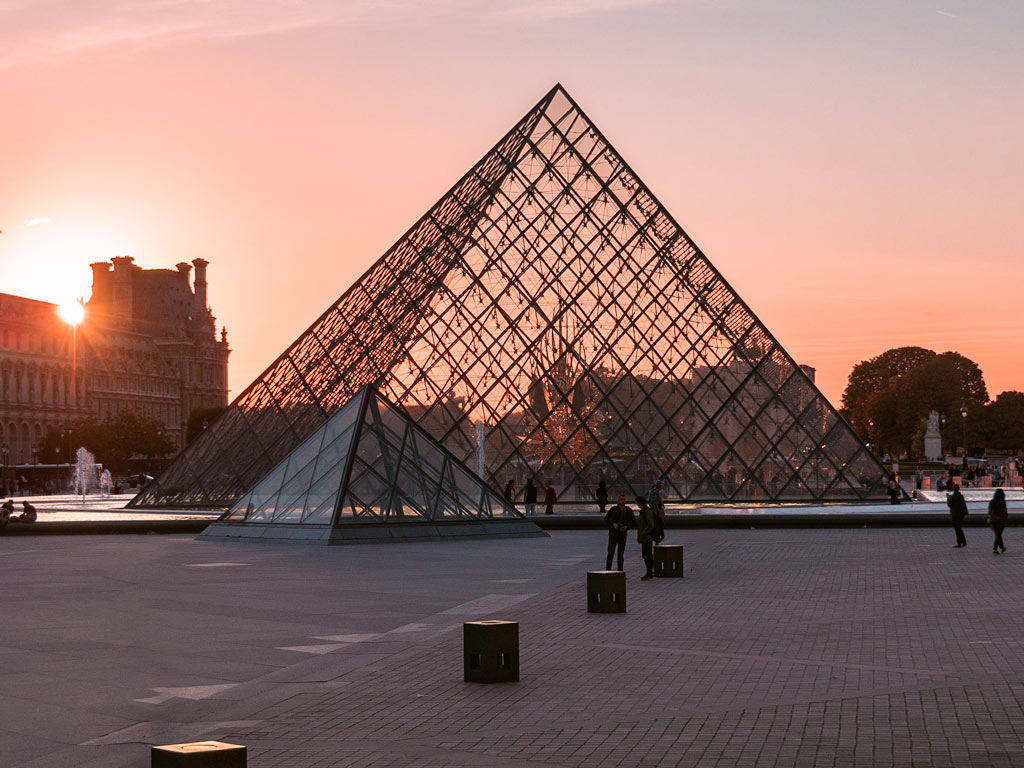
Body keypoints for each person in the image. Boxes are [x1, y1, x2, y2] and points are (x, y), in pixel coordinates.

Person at [604, 494, 636, 571]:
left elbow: (633, 522)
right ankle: (608, 570)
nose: (622, 501)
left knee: (620, 554)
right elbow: (606, 519)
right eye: (621, 499)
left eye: (624, 499)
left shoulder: (628, 511)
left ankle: (620, 571)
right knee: (610, 553)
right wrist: (613, 525)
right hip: (613, 534)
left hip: (622, 534)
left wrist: (626, 527)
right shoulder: (613, 509)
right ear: (618, 501)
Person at [635, 495, 656, 580]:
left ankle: (650, 572)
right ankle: (650, 571)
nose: (637, 504)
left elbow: (650, 524)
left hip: (647, 537)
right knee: (646, 555)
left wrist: (644, 532)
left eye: (637, 503)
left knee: (647, 555)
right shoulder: (644, 511)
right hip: (645, 537)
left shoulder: (647, 511)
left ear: (640, 503)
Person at [989, 487, 1008, 554]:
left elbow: (989, 511)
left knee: (997, 534)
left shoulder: (992, 502)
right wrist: (1005, 517)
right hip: (1001, 520)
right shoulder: (1003, 502)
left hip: (994, 520)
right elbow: (1005, 511)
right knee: (998, 534)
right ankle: (995, 549)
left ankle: (1002, 548)